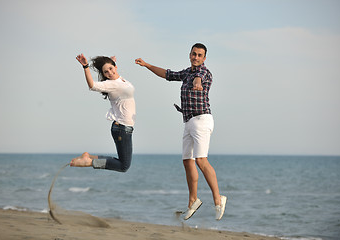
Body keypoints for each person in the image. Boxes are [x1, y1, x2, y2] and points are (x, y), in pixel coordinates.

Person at [135, 43, 227, 220]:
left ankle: (218, 198)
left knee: (201, 160)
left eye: (200, 55)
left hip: (202, 120)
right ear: (190, 55)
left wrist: (198, 83)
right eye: (194, 54)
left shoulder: (204, 73)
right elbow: (168, 75)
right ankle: (193, 200)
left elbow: (198, 78)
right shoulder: (186, 72)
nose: (196, 57)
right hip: (188, 121)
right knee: (187, 161)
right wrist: (147, 65)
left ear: (204, 58)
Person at [70, 54, 135, 173]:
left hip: (125, 128)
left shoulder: (120, 80)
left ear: (115, 67)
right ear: (104, 75)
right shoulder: (110, 84)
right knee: (123, 166)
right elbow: (92, 86)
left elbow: (113, 71)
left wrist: (111, 62)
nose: (109, 73)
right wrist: (86, 67)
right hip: (121, 127)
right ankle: (90, 162)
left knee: (122, 162)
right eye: (106, 72)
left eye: (111, 69)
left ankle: (88, 157)